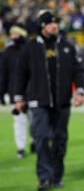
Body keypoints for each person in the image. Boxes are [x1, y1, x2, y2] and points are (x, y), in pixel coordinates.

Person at [14, 10, 84, 190]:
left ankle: (56, 177)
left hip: (62, 101)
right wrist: (19, 97)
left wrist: (80, 92)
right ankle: (44, 178)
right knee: (43, 138)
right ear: (42, 27)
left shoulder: (67, 46)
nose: (55, 26)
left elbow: (78, 70)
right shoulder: (30, 48)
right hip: (39, 101)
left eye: (56, 23)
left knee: (60, 140)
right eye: (50, 24)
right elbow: (21, 73)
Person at [0, 23, 35, 159]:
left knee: (33, 120)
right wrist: (1, 93)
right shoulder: (8, 53)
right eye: (12, 33)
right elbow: (3, 74)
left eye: (16, 33)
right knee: (19, 121)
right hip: (15, 92)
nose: (13, 36)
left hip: (31, 91)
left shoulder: (31, 50)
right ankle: (21, 148)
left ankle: (33, 141)